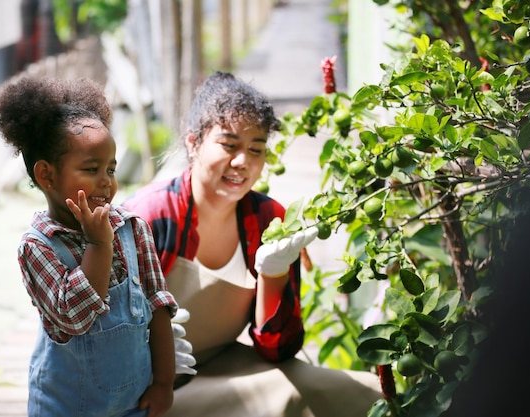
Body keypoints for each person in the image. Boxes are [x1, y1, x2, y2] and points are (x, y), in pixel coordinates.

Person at [123, 71, 382, 417]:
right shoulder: (149, 217)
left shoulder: (267, 219)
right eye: (229, 145)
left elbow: (279, 349)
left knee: (351, 392)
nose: (243, 161)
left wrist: (272, 275)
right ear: (193, 142)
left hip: (223, 367)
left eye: (256, 149)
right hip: (145, 387)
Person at [0, 76, 178, 417]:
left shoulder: (133, 229)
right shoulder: (39, 247)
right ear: (46, 175)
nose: (106, 181)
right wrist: (98, 244)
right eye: (91, 169)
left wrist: (164, 383)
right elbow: (73, 318)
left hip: (135, 402)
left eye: (111, 168)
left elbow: (158, 308)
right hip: (64, 406)